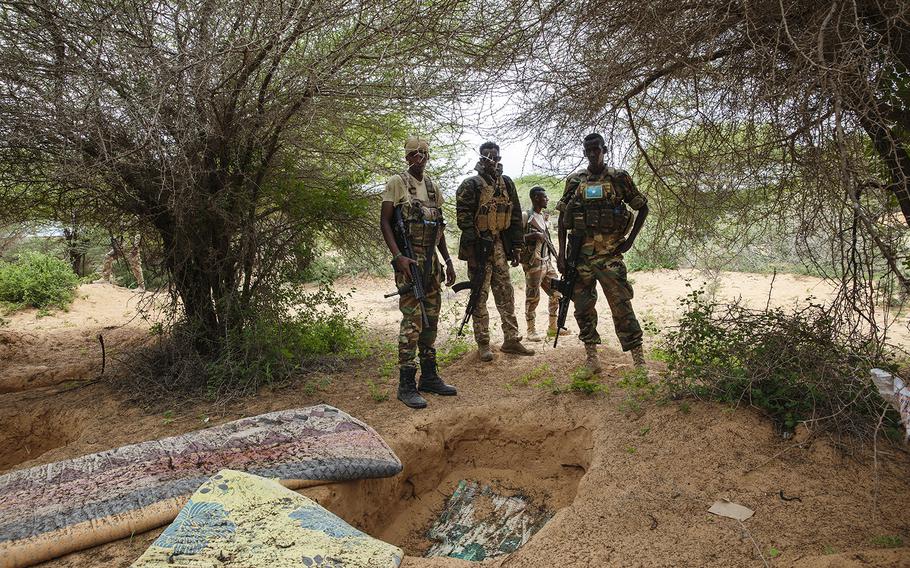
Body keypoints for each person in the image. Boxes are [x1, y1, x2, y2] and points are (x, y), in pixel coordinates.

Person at [556, 133, 648, 372]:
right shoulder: (575, 181)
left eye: (596, 149)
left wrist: (629, 242)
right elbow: (562, 219)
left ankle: (638, 361)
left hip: (610, 257)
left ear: (604, 149)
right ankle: (592, 359)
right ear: (584, 151)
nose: (593, 153)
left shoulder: (619, 178)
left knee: (621, 305)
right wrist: (561, 255)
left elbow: (643, 207)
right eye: (588, 149)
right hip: (580, 257)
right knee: (583, 308)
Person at [380, 136, 458, 409]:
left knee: (432, 321)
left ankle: (429, 376)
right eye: (414, 153)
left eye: (423, 153)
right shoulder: (397, 183)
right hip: (410, 263)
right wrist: (398, 256)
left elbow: (439, 230)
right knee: (413, 323)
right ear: (407, 157)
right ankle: (406, 384)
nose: (419, 157)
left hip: (431, 265)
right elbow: (385, 222)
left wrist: (447, 260)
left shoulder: (434, 188)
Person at [455, 142, 535, 361]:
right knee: (479, 295)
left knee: (506, 293)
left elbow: (516, 215)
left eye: (496, 157)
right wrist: (474, 251)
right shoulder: (470, 185)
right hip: (479, 247)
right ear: (481, 159)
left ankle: (511, 340)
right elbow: (463, 218)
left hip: (499, 245)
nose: (493, 161)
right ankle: (483, 343)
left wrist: (516, 247)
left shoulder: (506, 183)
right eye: (488, 157)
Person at [520, 186, 571, 341]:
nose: (547, 199)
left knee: (557, 292)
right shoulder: (525, 216)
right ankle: (531, 330)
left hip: (546, 262)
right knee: (532, 296)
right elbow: (516, 238)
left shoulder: (543, 216)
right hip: (533, 262)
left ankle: (553, 327)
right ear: (536, 198)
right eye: (544, 197)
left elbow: (547, 241)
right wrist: (533, 235)